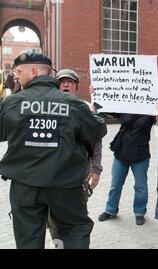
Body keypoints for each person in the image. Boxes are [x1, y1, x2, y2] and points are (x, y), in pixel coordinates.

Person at [0, 52, 107, 249]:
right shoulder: (74, 104)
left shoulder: (12, 103)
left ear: (33, 71)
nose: (16, 76)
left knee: (28, 237)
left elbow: (1, 132)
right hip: (66, 185)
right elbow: (97, 130)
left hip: (26, 187)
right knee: (74, 231)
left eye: (18, 71)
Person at [44, 69, 104, 242]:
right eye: (62, 81)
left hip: (78, 175)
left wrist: (96, 169)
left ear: (76, 87)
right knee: (53, 221)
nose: (66, 84)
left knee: (75, 219)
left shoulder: (86, 107)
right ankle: (59, 244)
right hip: (50, 175)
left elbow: (96, 141)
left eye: (70, 82)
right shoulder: (47, 106)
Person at [93, 83, 155, 225]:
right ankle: (110, 210)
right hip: (121, 153)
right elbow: (107, 107)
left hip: (140, 155)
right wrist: (97, 93)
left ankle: (139, 212)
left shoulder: (151, 110)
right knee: (115, 184)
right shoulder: (127, 104)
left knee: (140, 187)